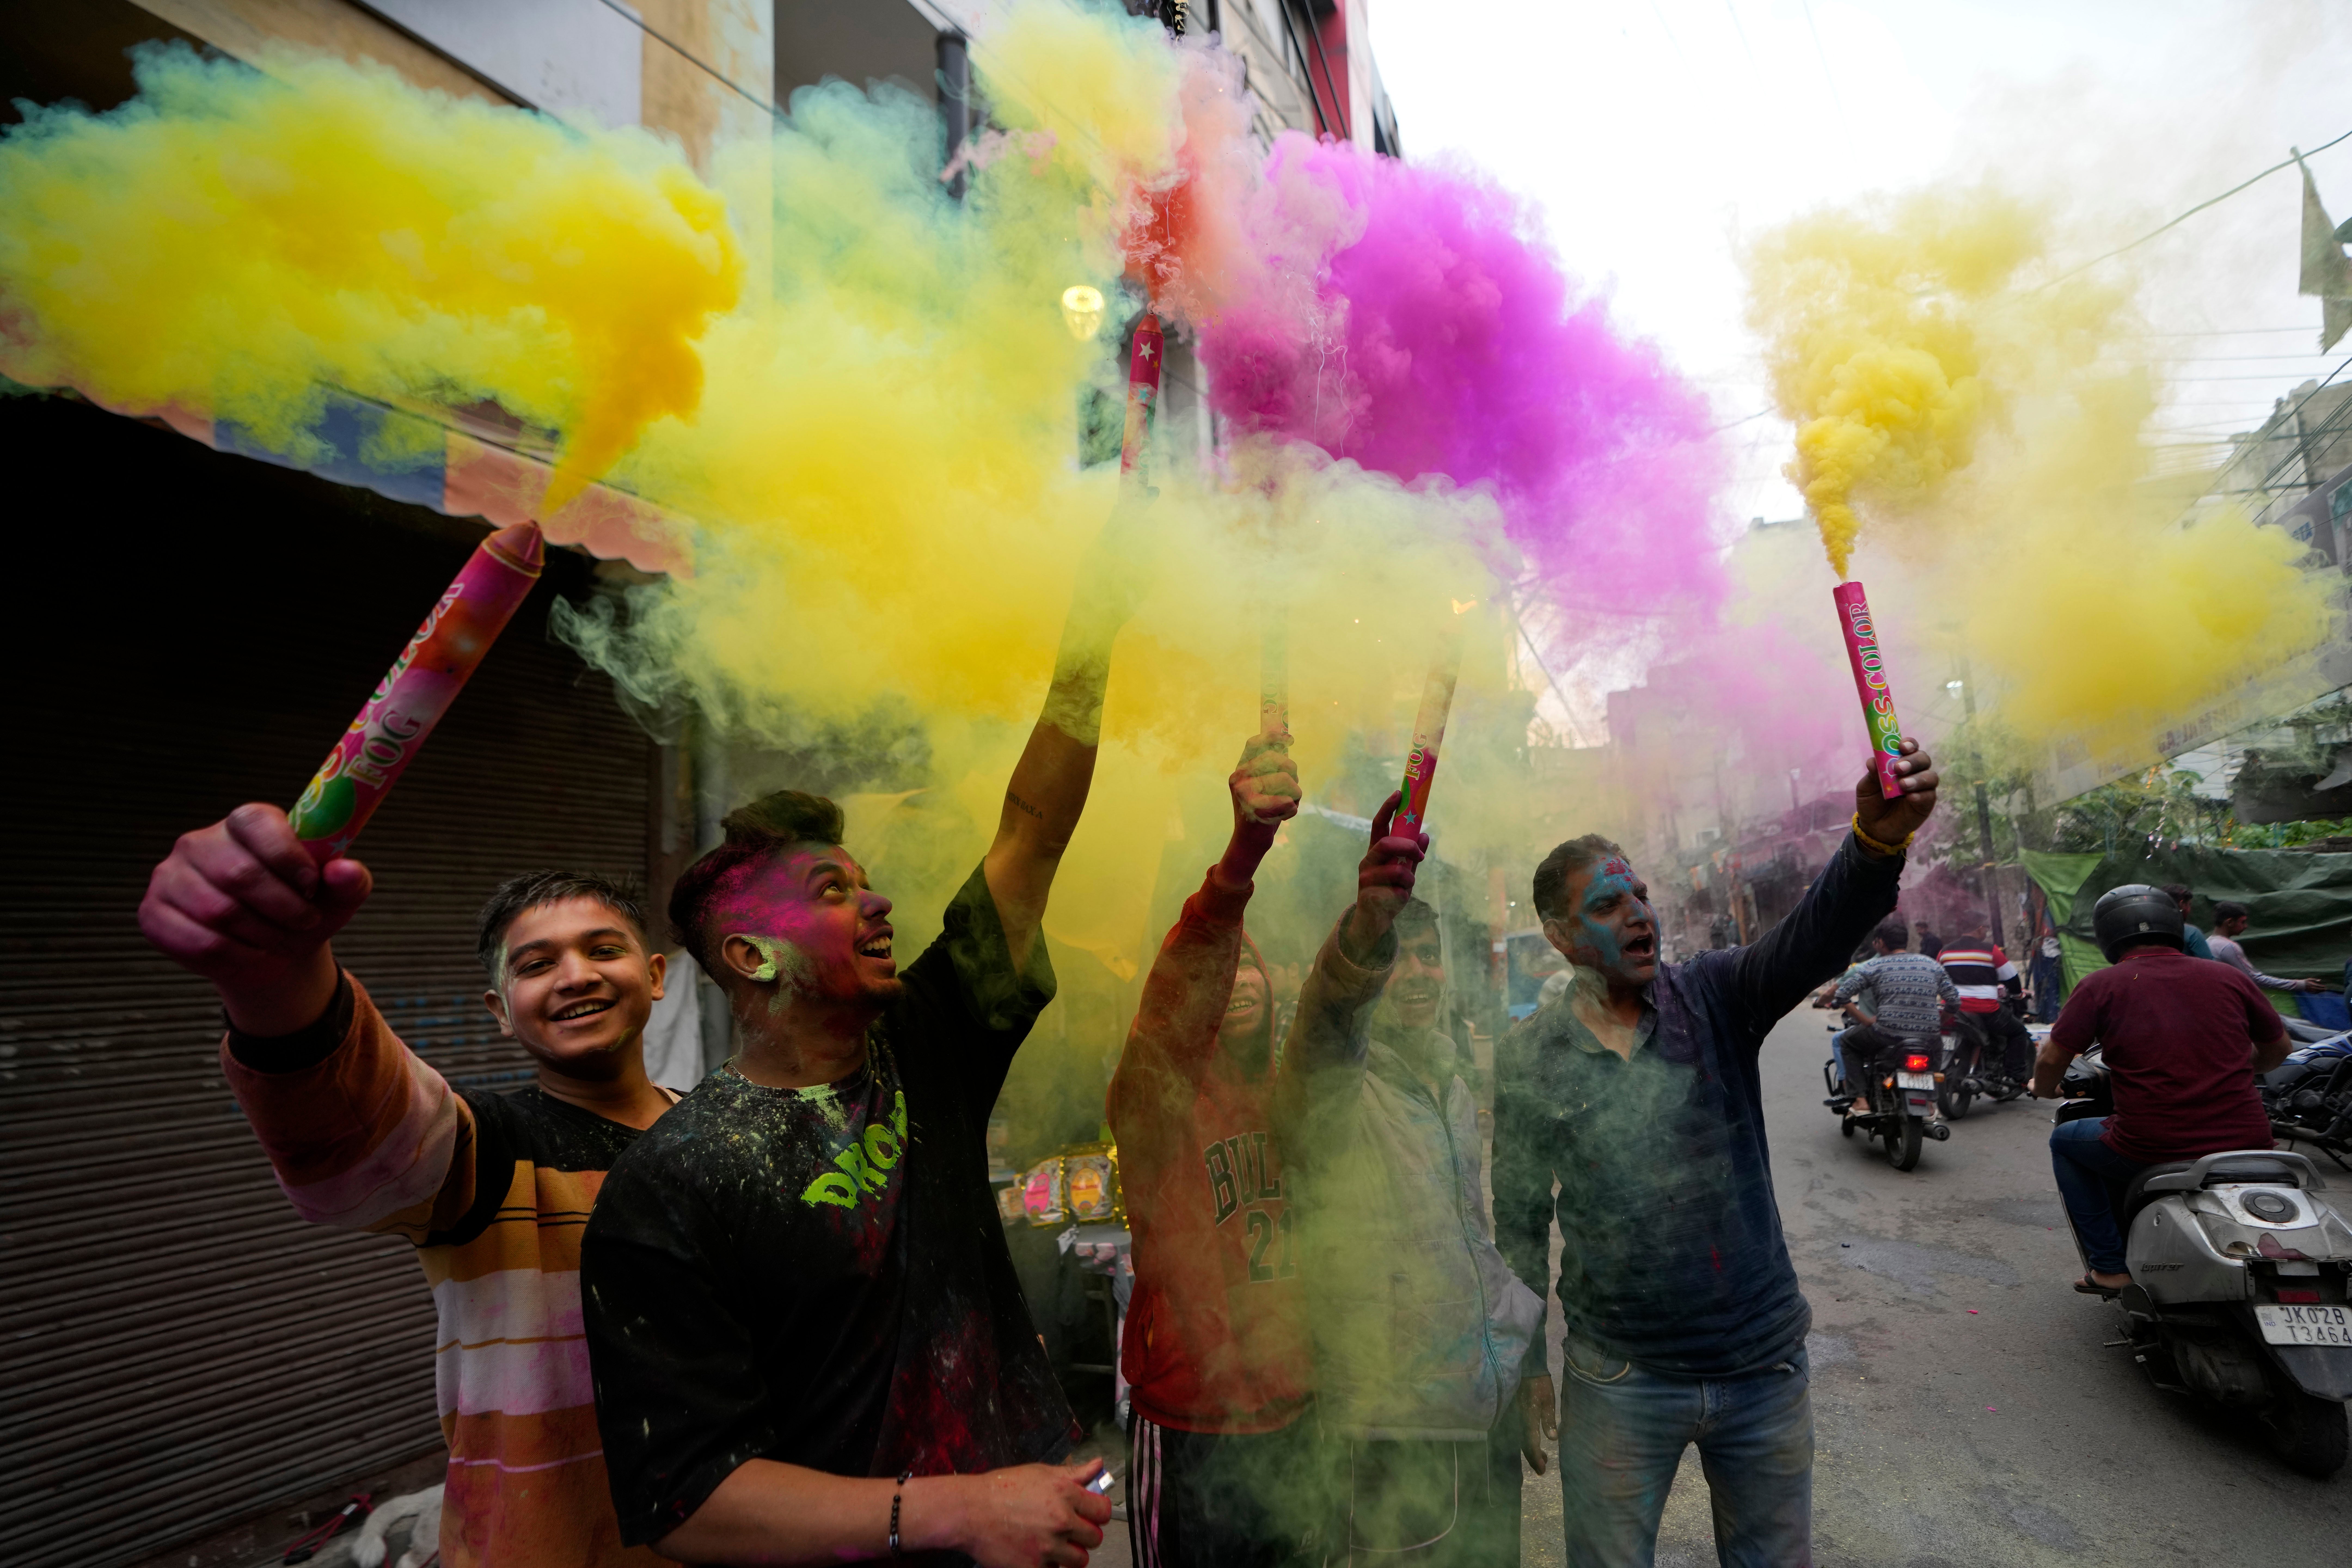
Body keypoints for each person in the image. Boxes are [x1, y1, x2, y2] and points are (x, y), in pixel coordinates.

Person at [576, 513, 1147, 1568]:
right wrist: (965, 1511)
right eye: (834, 892)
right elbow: (689, 1502)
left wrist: (1093, 632)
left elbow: (1031, 832)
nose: (880, 904)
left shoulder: (928, 1044)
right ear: (750, 958)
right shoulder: (673, 1183)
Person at [139, 823, 680, 1568]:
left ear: (656, 976)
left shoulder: (722, 1130)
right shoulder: (488, 1149)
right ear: (500, 1010)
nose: (575, 976)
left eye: (603, 949)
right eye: (537, 964)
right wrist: (277, 980)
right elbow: (359, 1127)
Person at [1494, 739, 1940, 1568]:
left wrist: (1877, 843)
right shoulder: (1531, 1060)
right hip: (1620, 1378)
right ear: (1560, 935)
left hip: (1763, 1366)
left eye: (1641, 894)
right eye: (1606, 905)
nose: (1639, 914)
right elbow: (1518, 1218)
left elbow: (1815, 937)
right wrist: (1528, 1370)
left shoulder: (1717, 994)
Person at [1276, 796, 1542, 1566]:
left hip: (1476, 1417)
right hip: (1399, 1434)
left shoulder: (1449, 1085)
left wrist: (1521, 1367)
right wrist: (1366, 932)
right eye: (1400, 958)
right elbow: (1328, 1029)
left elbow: (1475, 1244)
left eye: (1428, 955)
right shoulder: (1342, 1093)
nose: (1418, 974)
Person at [1107, 731, 1313, 1568]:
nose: (1235, 986)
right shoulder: (1154, 1104)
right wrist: (1241, 857)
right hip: (1192, 1414)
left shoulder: (1288, 1100)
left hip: (1293, 1404)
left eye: (1250, 971)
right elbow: (1180, 993)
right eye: (1222, 976)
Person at [2033, 883, 2291, 1295]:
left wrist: (2044, 1089)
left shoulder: (2103, 985)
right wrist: (2242, 1067)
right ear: (2177, 923)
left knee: (2066, 1140)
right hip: (2250, 1142)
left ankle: (2109, 1267)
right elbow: (2279, 1050)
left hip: (2150, 1147)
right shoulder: (2228, 978)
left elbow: (2050, 1060)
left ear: (2107, 936)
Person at [1828, 918, 1959, 1101]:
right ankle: (1930, 1102)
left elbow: (1842, 995)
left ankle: (1860, 1100)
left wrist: (1866, 1021)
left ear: (1881, 943)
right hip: (1928, 1036)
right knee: (1936, 1048)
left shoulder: (1873, 966)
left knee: (1847, 1043)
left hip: (1887, 1033)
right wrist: (1937, 1023)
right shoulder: (1931, 965)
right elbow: (1954, 1001)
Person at [1937, 919, 2032, 1091]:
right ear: (1980, 929)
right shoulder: (1990, 951)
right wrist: (2018, 996)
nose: (1987, 932)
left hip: (1953, 1011)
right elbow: (2011, 978)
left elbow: (1937, 976)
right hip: (1986, 1011)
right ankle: (2014, 1076)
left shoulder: (1945, 952)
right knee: (2018, 1032)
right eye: (1986, 928)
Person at [2207, 901, 2324, 993]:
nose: (2246, 926)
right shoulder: (2228, 947)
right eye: (2243, 922)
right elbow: (2255, 980)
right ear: (2230, 923)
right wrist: (2300, 985)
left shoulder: (2208, 943)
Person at [2160, 883, 2216, 960]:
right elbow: (2210, 964)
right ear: (2182, 904)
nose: (2190, 910)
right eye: (2189, 904)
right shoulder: (2192, 934)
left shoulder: (2149, 930)